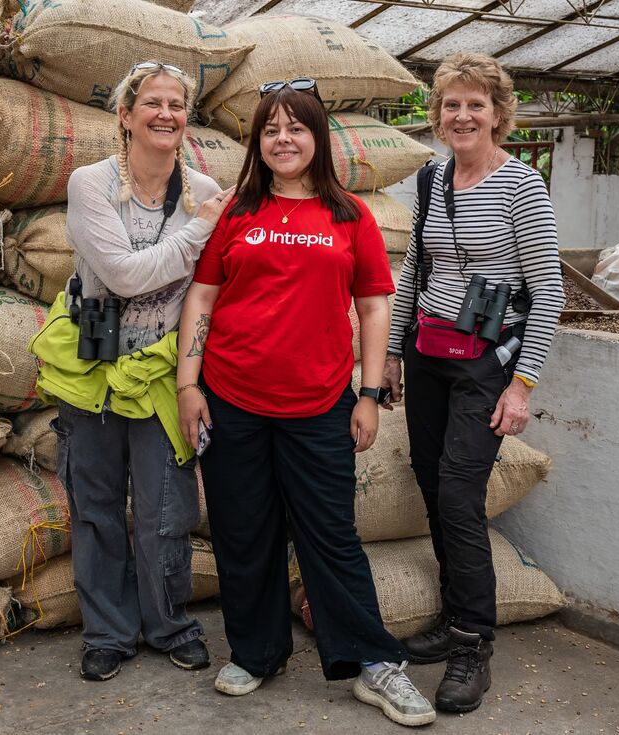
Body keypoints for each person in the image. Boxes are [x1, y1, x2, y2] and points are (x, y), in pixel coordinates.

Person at [176, 78, 436, 728]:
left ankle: (375, 663)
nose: (283, 138)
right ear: (258, 142)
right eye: (271, 128)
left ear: (318, 137)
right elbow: (201, 298)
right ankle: (258, 651)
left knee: (332, 537)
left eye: (296, 127)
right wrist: (188, 384)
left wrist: (370, 393)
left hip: (320, 405)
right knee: (243, 533)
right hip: (232, 400)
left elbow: (375, 307)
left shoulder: (349, 214)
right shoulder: (236, 212)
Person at [37, 61, 234, 682]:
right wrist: (198, 231)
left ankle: (170, 624)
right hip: (93, 367)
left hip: (160, 371)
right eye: (152, 103)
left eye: (177, 104)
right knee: (95, 505)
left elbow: (206, 288)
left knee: (165, 508)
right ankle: (108, 633)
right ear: (125, 116)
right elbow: (122, 275)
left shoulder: (204, 188)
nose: (165, 114)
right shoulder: (91, 185)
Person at [382, 52, 565, 713]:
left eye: (475, 104)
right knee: (434, 484)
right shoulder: (431, 180)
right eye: (451, 104)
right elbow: (413, 272)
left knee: (460, 491)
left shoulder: (522, 187)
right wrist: (392, 354)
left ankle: (471, 645)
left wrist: (524, 385)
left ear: (497, 113)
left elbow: (548, 291)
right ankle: (453, 613)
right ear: (437, 115)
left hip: (489, 361)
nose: (462, 115)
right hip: (429, 350)